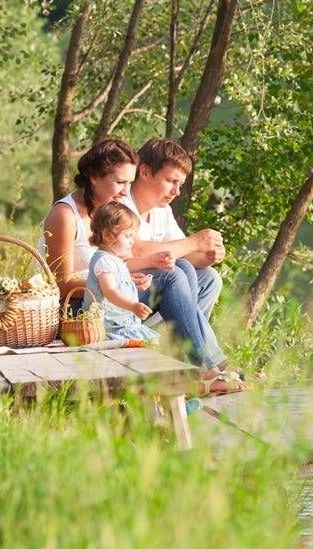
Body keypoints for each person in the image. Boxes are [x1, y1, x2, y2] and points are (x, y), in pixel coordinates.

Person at [40, 138, 242, 394]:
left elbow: (120, 260)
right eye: (120, 182)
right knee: (171, 278)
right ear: (94, 177)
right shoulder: (65, 215)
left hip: (110, 295)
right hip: (80, 308)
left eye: (129, 182)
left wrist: (131, 273)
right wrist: (116, 281)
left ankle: (188, 366)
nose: (126, 191)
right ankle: (204, 370)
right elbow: (60, 283)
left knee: (184, 269)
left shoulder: (109, 211)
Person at [123, 138, 224, 320]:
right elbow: (135, 250)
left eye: (180, 184)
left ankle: (179, 339)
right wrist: (194, 242)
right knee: (178, 270)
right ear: (144, 172)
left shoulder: (163, 211)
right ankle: (189, 340)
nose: (176, 191)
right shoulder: (121, 204)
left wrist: (208, 256)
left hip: (153, 291)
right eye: (171, 181)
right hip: (127, 292)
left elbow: (184, 252)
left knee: (210, 278)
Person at [85, 201, 157, 343]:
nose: (132, 242)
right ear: (107, 235)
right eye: (128, 236)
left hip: (120, 323)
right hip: (109, 326)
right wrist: (133, 306)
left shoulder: (113, 260)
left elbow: (116, 283)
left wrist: (133, 283)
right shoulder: (104, 261)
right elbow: (110, 291)